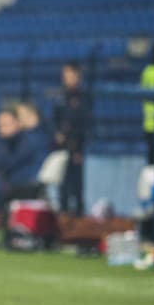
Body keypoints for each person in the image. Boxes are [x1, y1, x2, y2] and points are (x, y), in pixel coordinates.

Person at [53, 62, 91, 216]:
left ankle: (79, 218)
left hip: (76, 147)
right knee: (62, 184)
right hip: (62, 147)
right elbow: (54, 119)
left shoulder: (83, 97)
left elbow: (85, 124)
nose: (67, 78)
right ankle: (63, 217)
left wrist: (79, 148)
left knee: (77, 186)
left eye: (70, 74)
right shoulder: (61, 96)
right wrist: (57, 133)